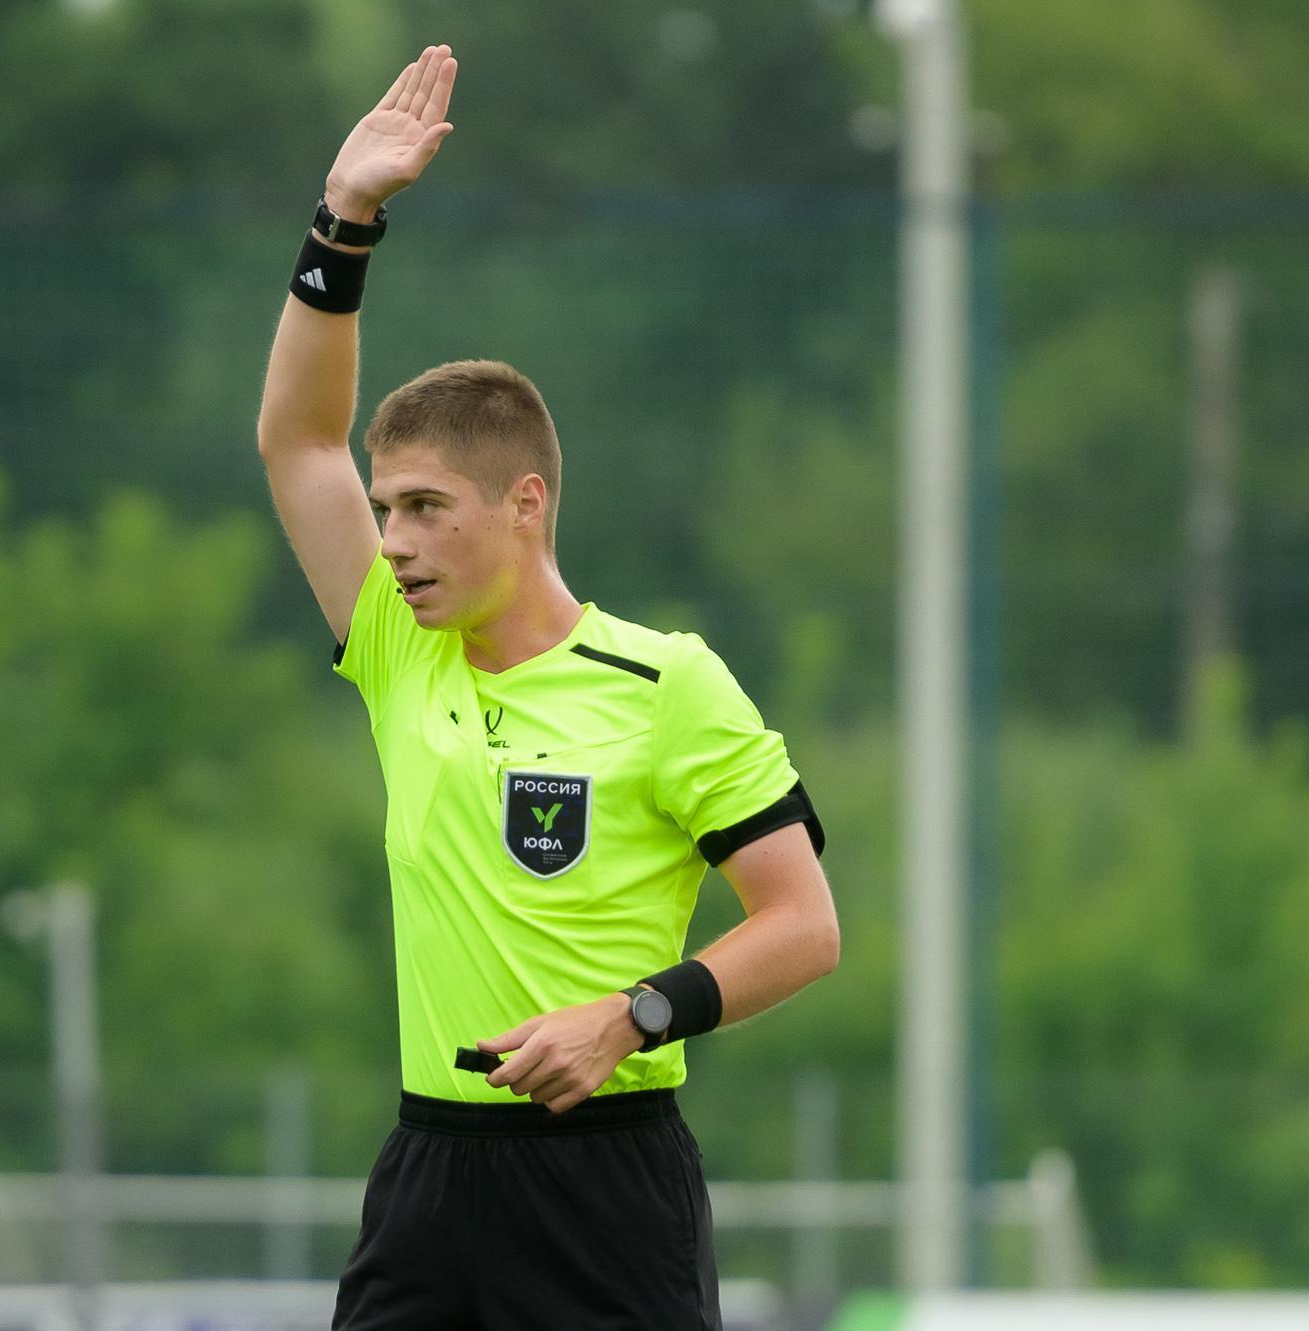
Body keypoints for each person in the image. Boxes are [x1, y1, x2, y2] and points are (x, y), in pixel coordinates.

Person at [257, 44, 842, 1330]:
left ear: (523, 504)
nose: (392, 540)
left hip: (606, 1188)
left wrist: (630, 1018)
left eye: (425, 507)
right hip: (427, 1180)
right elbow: (296, 439)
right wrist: (343, 219)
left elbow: (802, 924)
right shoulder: (398, 647)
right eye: (384, 509)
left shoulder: (664, 681)